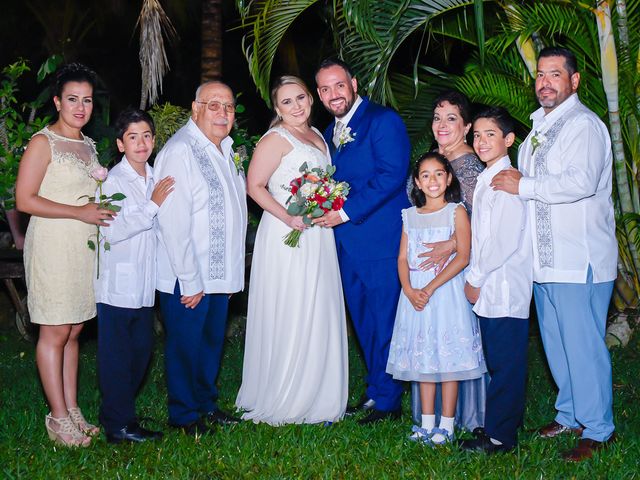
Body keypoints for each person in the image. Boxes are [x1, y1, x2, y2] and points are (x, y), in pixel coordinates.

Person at [491, 46, 617, 461]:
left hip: (578, 257)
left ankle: (599, 428)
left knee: (583, 346)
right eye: (540, 75)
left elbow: (579, 181)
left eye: (555, 75)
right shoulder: (538, 129)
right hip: (543, 262)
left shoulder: (585, 126)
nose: (544, 82)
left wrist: (522, 187)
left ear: (574, 80)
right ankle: (569, 414)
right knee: (557, 346)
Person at [235, 76, 348, 425]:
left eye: (300, 98)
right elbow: (254, 185)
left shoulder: (318, 136)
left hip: (319, 234)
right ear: (277, 109)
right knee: (293, 305)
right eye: (287, 102)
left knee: (319, 304)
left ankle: (320, 391)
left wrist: (325, 204)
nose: (296, 106)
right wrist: (289, 217)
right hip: (287, 233)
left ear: (311, 99)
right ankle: (286, 392)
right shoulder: (275, 138)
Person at [16, 63, 108, 447]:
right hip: (53, 245)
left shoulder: (88, 145)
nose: (80, 107)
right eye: (72, 99)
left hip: (83, 248)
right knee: (54, 330)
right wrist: (79, 212)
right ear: (57, 101)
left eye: (86, 100)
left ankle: (72, 410)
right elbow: (24, 199)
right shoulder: (43, 142)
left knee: (73, 330)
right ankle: (56, 418)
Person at [314, 58, 410, 424]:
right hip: (344, 243)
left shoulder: (382, 121)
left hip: (379, 239)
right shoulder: (327, 133)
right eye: (324, 88)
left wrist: (345, 212)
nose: (333, 94)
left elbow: (391, 175)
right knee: (364, 320)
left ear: (353, 83)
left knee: (385, 317)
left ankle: (389, 401)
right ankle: (376, 389)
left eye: (339, 85)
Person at [153, 81, 248, 436]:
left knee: (210, 344)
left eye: (229, 106)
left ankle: (206, 404)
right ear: (195, 109)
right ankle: (184, 415)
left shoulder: (225, 148)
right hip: (188, 274)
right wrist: (189, 280)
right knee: (185, 346)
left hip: (219, 273)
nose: (223, 113)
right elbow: (172, 221)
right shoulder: (181, 151)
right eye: (214, 105)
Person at [386, 152, 486, 445]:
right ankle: (426, 422)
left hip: (444, 294)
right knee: (423, 358)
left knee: (448, 357)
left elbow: (463, 255)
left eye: (439, 174)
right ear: (416, 182)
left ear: (449, 178)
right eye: (425, 175)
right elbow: (403, 257)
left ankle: (447, 424)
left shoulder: (456, 212)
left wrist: (429, 288)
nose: (432, 180)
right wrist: (408, 288)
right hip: (415, 295)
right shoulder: (409, 215)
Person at [94, 109, 174, 443]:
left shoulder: (157, 176)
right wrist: (152, 206)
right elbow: (111, 230)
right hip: (117, 285)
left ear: (154, 141)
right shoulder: (113, 180)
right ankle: (119, 425)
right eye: (132, 137)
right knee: (117, 355)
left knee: (141, 351)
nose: (140, 143)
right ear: (120, 143)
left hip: (146, 283)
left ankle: (118, 412)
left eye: (146, 136)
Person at [413, 91, 487, 433]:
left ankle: (461, 417)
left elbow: (484, 222)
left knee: (454, 340)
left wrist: (453, 245)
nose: (442, 125)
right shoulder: (435, 162)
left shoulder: (468, 167)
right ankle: (432, 418)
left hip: (457, 272)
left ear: (467, 126)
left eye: (452, 118)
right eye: (438, 117)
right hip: (425, 272)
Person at [460, 107, 532, 453]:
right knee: (498, 361)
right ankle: (498, 425)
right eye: (477, 135)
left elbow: (502, 241)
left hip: (502, 286)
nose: (482, 141)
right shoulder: (489, 178)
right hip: (491, 287)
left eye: (491, 134)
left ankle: (501, 437)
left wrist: (473, 278)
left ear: (508, 140)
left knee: (505, 366)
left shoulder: (507, 181)